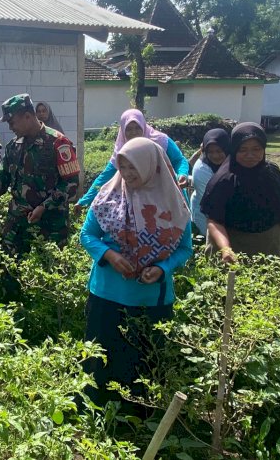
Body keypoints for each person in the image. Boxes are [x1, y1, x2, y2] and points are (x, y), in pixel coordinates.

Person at [80, 137, 192, 406]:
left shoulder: (174, 202)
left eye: (134, 167)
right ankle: (96, 410)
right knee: (101, 357)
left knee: (141, 362)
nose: (128, 174)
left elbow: (185, 249)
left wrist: (162, 268)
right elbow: (87, 235)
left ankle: (137, 419)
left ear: (152, 166)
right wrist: (108, 255)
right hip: (107, 292)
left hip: (150, 298)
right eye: (123, 167)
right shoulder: (109, 195)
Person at [0, 93, 80, 256]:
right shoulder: (13, 146)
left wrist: (44, 206)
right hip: (17, 225)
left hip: (50, 226)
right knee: (9, 270)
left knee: (47, 273)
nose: (10, 127)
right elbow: (0, 179)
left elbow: (71, 184)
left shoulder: (58, 143)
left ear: (28, 116)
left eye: (12, 122)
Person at [200, 123, 280, 263]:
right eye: (243, 150)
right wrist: (226, 249)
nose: (250, 155)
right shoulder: (224, 180)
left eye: (256, 149)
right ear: (234, 149)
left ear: (264, 149)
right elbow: (213, 220)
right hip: (232, 248)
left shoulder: (272, 175)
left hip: (269, 248)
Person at [76, 109, 189, 209]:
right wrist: (84, 201)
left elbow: (179, 160)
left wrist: (182, 174)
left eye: (137, 128)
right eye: (129, 129)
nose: (134, 133)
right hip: (141, 198)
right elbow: (105, 176)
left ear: (143, 126)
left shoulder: (160, 140)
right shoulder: (122, 149)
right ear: (123, 130)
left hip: (168, 191)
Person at [190, 129, 230, 235]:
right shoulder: (201, 169)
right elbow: (212, 202)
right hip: (206, 213)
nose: (215, 156)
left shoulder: (233, 160)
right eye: (210, 152)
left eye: (219, 151)